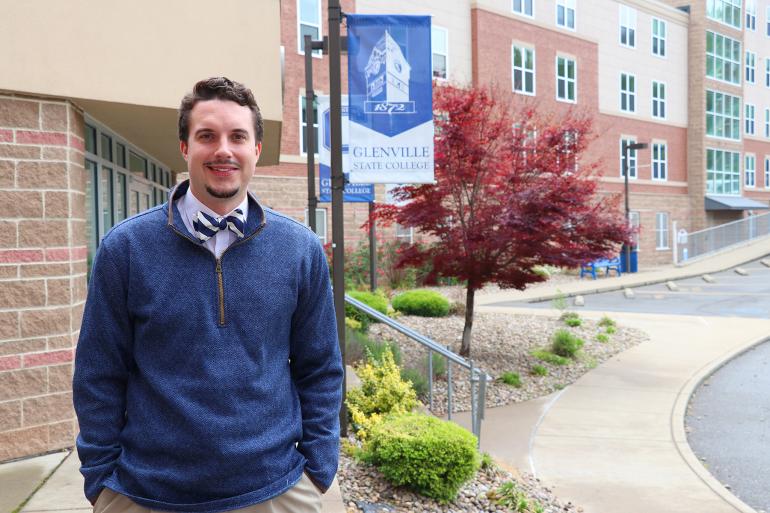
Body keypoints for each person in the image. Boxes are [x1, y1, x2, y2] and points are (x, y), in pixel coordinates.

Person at [73, 77, 343, 513]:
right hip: (145, 494)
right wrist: (102, 481)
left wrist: (317, 469)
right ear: (184, 147)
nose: (223, 150)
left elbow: (321, 368)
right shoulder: (126, 249)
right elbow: (98, 373)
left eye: (238, 136)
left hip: (275, 491)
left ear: (256, 149)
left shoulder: (299, 249)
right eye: (206, 136)